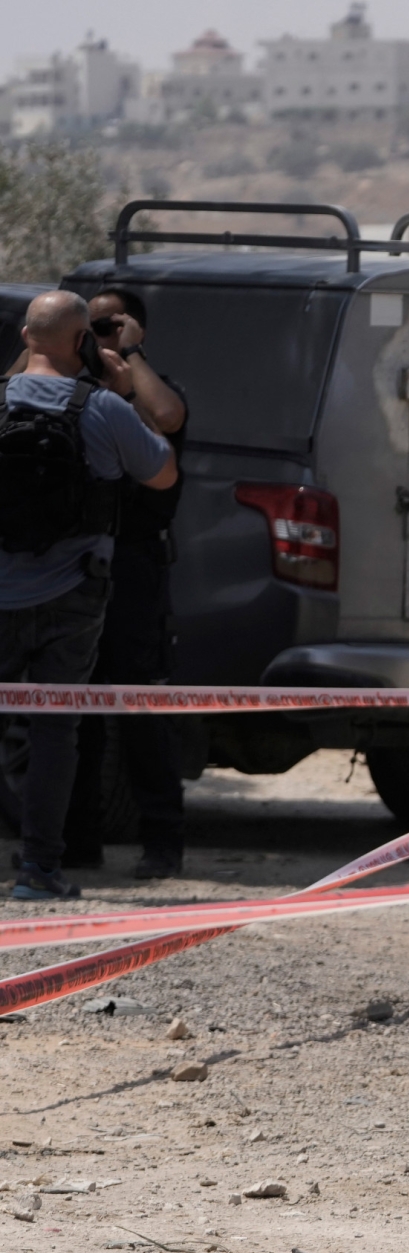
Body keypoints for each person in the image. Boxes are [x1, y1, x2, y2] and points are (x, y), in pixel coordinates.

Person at [0, 291, 175, 900]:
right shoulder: (102, 407)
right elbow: (161, 472)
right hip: (73, 597)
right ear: (81, 342)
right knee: (54, 732)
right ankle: (39, 869)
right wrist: (124, 395)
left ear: (25, 336)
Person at [62, 288, 191, 878]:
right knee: (74, 710)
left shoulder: (152, 389)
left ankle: (162, 842)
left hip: (136, 564)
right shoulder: (68, 390)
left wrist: (131, 355)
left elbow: (167, 418)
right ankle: (78, 839)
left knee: (141, 707)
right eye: (91, 326)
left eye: (110, 322)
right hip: (76, 564)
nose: (101, 334)